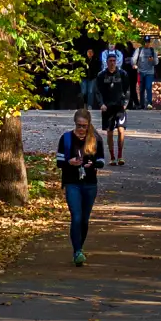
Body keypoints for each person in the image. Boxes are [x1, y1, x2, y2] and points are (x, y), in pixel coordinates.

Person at [54, 109, 106, 266]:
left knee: (84, 219)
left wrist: (92, 164)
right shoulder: (66, 138)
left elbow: (102, 161)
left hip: (90, 183)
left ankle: (80, 248)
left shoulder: (96, 139)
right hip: (72, 182)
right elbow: (59, 161)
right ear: (74, 123)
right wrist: (69, 162)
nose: (81, 129)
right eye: (79, 125)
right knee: (76, 217)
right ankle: (77, 252)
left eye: (84, 126)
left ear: (89, 124)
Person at [94, 55, 136, 166]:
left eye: (114, 61)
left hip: (120, 106)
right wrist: (101, 104)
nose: (112, 63)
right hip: (107, 107)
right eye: (110, 61)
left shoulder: (123, 74)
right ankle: (112, 156)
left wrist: (126, 103)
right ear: (107, 62)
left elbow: (127, 89)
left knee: (121, 130)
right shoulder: (101, 75)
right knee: (109, 132)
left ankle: (120, 155)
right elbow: (97, 91)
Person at [132, 40, 158, 108]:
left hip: (149, 72)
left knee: (148, 87)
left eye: (148, 42)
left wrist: (153, 60)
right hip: (141, 72)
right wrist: (134, 64)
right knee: (141, 88)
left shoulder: (152, 51)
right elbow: (134, 58)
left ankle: (149, 103)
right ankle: (142, 104)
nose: (147, 43)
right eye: (146, 42)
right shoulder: (139, 50)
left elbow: (156, 62)